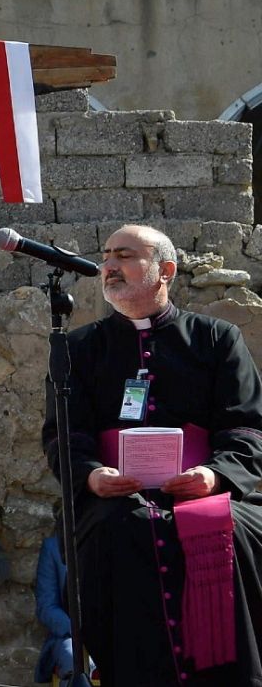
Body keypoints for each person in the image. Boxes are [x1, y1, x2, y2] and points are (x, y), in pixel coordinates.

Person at [42, 224, 262, 685]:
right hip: (114, 496)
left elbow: (246, 427)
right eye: (105, 256)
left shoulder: (217, 339)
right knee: (119, 530)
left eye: (124, 255)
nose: (108, 266)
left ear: (165, 270)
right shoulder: (78, 349)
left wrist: (213, 475)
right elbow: (63, 436)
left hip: (204, 490)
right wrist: (92, 475)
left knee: (231, 530)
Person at [33, 511, 89, 687]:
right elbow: (47, 607)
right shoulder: (53, 548)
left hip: (110, 632)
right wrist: (78, 631)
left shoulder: (110, 543)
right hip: (70, 634)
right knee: (74, 658)